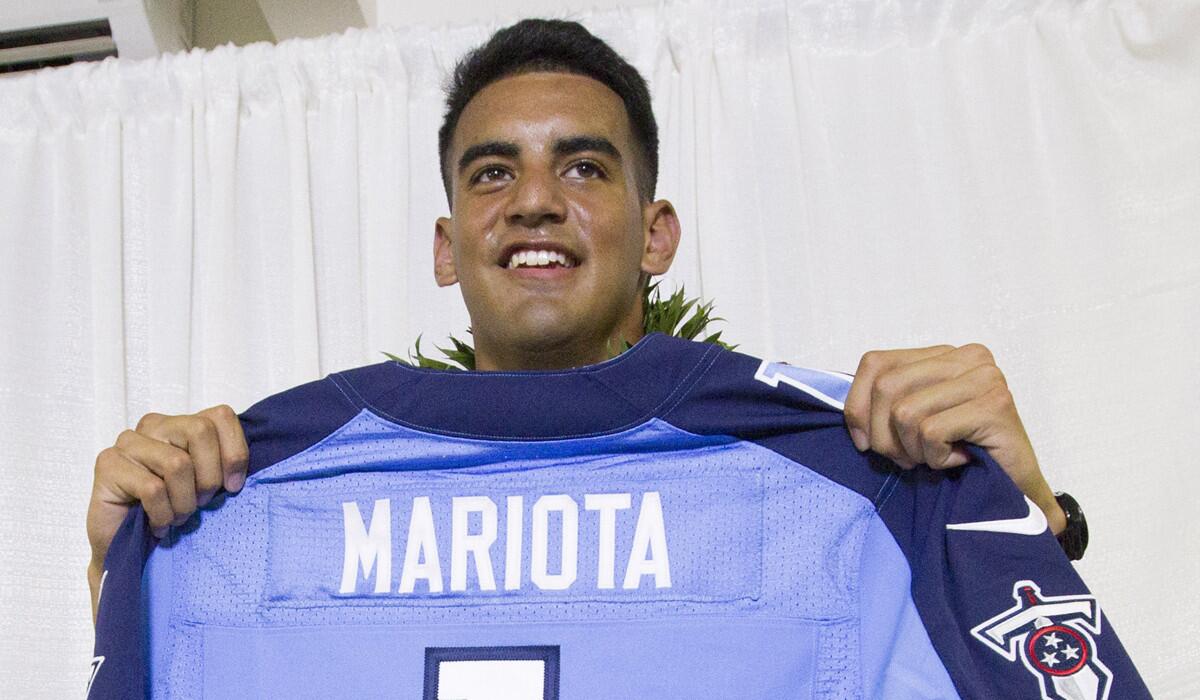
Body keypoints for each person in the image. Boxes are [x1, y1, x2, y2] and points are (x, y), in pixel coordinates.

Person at [87, 18, 1139, 699]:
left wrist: (1018, 515)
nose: (535, 198)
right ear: (447, 246)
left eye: (583, 165)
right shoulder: (235, 494)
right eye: (493, 171)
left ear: (655, 234)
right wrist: (131, 567)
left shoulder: (852, 469)